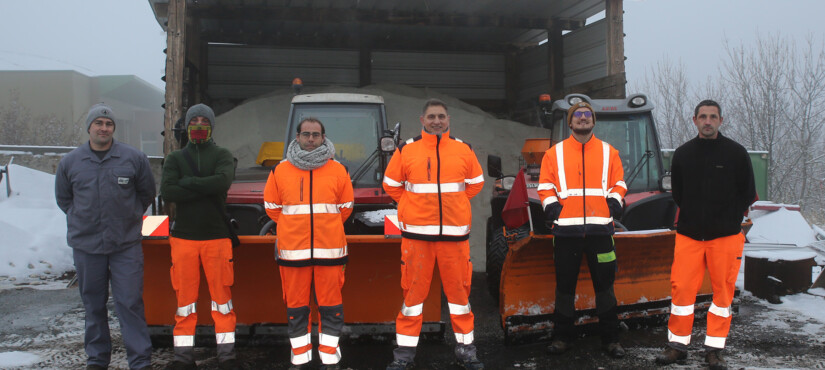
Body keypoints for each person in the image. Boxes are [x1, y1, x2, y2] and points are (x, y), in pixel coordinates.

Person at [382, 99, 485, 370]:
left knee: (460, 298)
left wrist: (455, 206)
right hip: (416, 239)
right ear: (422, 120)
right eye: (431, 117)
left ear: (448, 119)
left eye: (441, 116)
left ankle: (466, 351)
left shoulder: (464, 150)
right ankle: (403, 355)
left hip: (454, 239)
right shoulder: (407, 150)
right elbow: (391, 185)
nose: (436, 121)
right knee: (413, 299)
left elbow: (475, 184)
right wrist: (411, 207)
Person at [655, 100, 755, 370]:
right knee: (682, 291)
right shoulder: (684, 154)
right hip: (689, 236)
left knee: (722, 296)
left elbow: (748, 192)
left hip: (725, 237)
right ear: (694, 120)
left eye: (713, 117)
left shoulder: (736, 153)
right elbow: (678, 193)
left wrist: (729, 218)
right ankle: (677, 345)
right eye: (703, 117)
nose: (707, 121)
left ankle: (714, 349)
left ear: (721, 120)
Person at [55, 103, 155, 370]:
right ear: (89, 127)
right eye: (98, 123)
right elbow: (64, 199)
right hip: (87, 246)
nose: (104, 128)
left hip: (125, 245)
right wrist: (82, 218)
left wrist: (129, 217)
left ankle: (140, 360)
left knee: (129, 303)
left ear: (114, 129)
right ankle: (97, 359)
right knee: (93, 305)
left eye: (109, 124)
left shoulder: (133, 159)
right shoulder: (70, 162)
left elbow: (146, 194)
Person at [537, 101, 627, 358]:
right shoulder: (554, 154)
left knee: (605, 288)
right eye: (578, 115)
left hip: (601, 233)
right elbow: (545, 187)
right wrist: (555, 211)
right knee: (565, 287)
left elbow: (619, 183)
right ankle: (563, 338)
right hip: (566, 234)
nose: (583, 118)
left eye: (588, 114)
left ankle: (611, 340)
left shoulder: (610, 152)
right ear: (570, 122)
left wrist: (613, 203)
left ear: (594, 120)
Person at [263, 118, 354, 370]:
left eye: (316, 134)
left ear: (323, 137)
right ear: (298, 136)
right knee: (297, 310)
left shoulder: (338, 170)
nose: (311, 139)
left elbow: (346, 208)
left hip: (331, 253)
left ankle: (329, 359)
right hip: (293, 254)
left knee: (331, 309)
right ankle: (300, 359)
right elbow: (272, 208)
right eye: (306, 134)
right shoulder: (280, 171)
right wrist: (294, 230)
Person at [160, 104, 238, 370]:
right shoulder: (175, 158)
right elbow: (168, 192)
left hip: (217, 238)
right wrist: (205, 185)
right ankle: (183, 359)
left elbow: (222, 182)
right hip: (183, 239)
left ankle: (227, 357)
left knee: (223, 302)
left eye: (205, 121)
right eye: (195, 120)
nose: (200, 125)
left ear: (212, 126)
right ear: (187, 125)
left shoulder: (223, 155)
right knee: (185, 303)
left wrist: (187, 182)